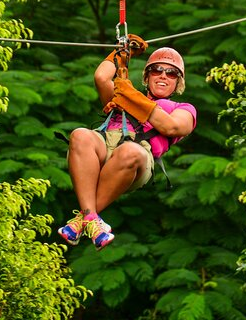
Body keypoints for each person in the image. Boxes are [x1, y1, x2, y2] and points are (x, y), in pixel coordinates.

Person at [58, 42, 197, 251]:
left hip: (137, 156)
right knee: (80, 135)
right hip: (105, 144)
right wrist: (123, 52)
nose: (163, 76)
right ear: (147, 76)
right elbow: (101, 78)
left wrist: (133, 99)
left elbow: (172, 127)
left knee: (129, 151)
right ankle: (89, 219)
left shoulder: (183, 109)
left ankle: (84, 218)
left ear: (178, 82)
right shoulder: (124, 94)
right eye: (157, 70)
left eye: (171, 73)